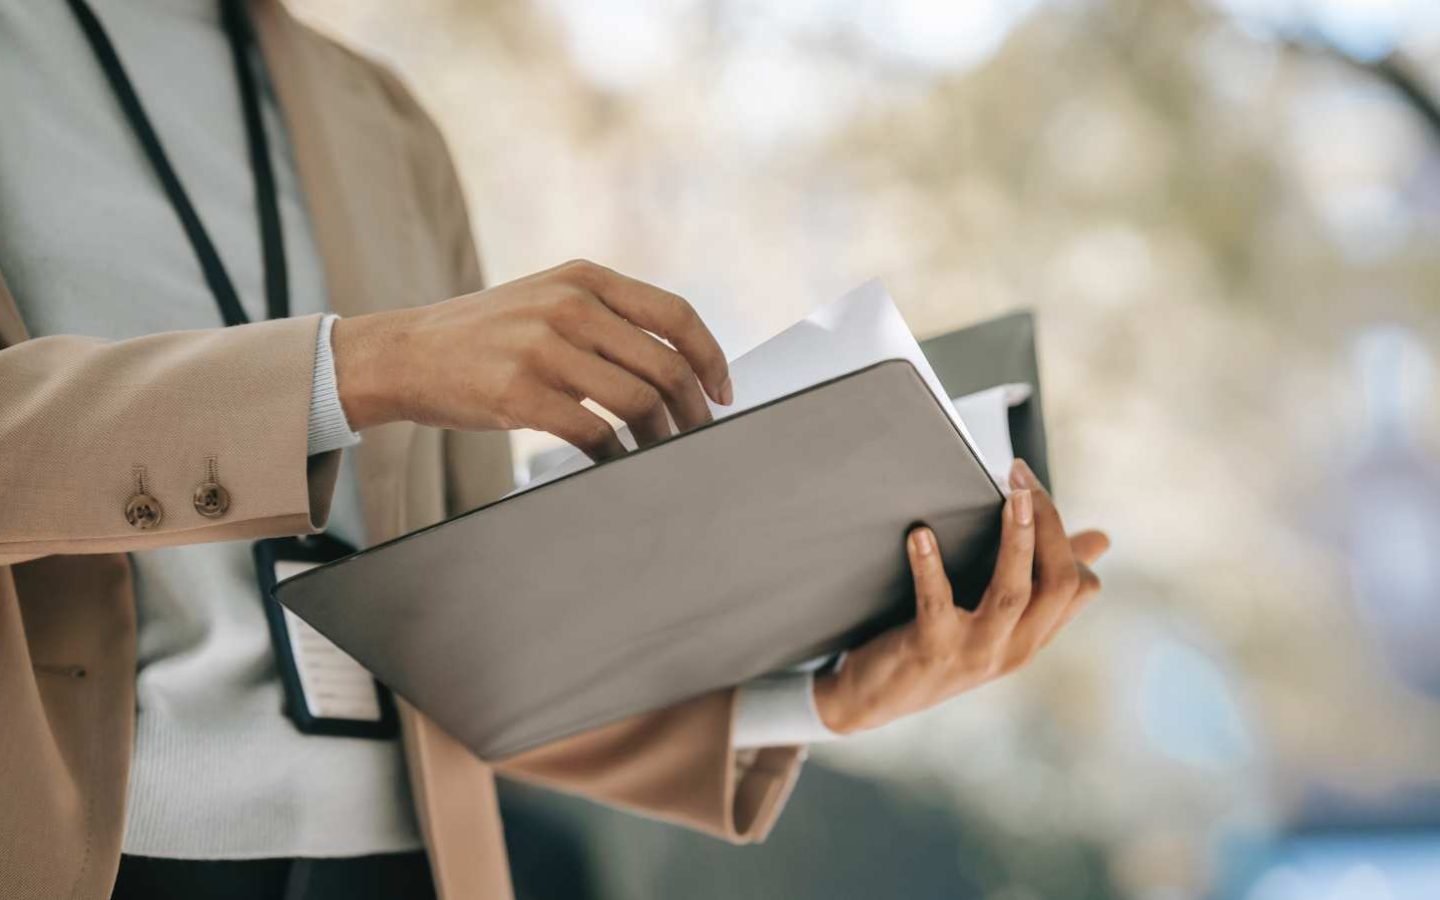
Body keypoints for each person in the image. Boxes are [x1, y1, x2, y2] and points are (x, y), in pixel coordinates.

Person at [0, 1, 1110, 898]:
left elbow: (464, 632)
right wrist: (366, 367)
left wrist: (822, 700)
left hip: (417, 868)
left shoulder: (379, 120)